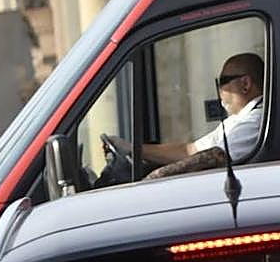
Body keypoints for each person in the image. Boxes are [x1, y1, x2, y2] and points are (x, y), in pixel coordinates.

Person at [109, 53, 265, 178]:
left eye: (223, 81)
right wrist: (131, 149)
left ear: (245, 84)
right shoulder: (238, 120)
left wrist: (154, 179)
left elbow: (215, 157)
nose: (220, 90)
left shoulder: (256, 121)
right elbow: (190, 150)